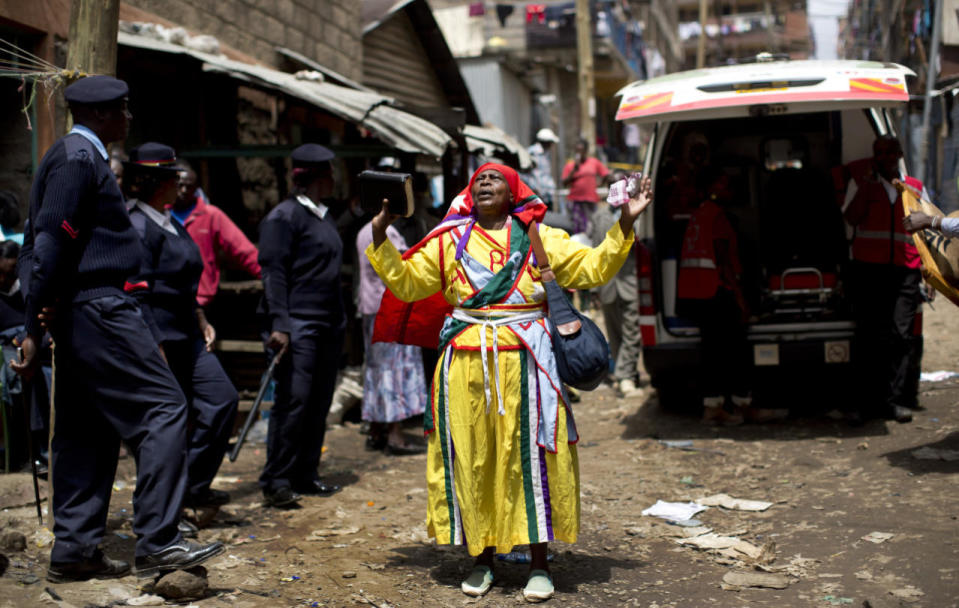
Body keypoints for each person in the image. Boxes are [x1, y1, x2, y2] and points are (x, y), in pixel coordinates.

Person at [365, 162, 652, 602]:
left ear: (514, 190)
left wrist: (625, 221)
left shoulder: (541, 237)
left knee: (531, 460)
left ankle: (539, 563)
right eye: (478, 177)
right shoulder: (448, 242)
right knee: (474, 459)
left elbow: (593, 269)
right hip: (464, 368)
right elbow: (405, 284)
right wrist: (380, 234)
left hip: (527, 364)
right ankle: (482, 560)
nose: (483, 181)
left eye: (494, 177)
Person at [11, 75, 222, 582]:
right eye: (124, 110)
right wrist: (33, 324)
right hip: (100, 307)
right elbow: (47, 244)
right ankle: (159, 541)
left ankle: (76, 551)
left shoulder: (78, 159)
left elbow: (44, 246)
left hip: (80, 309)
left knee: (87, 429)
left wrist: (43, 313)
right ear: (103, 115)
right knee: (166, 409)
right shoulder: (78, 160)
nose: (129, 118)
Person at [124, 143, 239, 515]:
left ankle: (192, 486)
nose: (181, 185)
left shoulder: (169, 220)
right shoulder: (138, 226)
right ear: (160, 182)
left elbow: (184, 283)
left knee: (222, 400)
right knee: (167, 425)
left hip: (187, 335)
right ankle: (165, 509)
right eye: (174, 178)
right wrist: (152, 343)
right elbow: (136, 293)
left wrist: (201, 317)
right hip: (159, 340)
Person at [257, 143, 346, 508]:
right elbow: (273, 273)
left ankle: (306, 472)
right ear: (314, 178)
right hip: (299, 324)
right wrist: (281, 324)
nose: (334, 179)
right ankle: (277, 477)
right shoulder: (284, 217)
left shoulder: (322, 216)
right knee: (294, 401)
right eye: (328, 173)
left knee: (318, 400)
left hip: (327, 323)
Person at [842, 135, 924, 424]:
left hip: (905, 272)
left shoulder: (915, 187)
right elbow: (851, 218)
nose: (885, 157)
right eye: (879, 152)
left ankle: (894, 401)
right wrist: (867, 185)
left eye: (890, 152)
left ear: (900, 154)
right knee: (868, 337)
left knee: (901, 336)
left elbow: (925, 231)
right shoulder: (863, 184)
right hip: (869, 271)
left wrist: (929, 273)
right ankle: (865, 403)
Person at [677, 171, 751, 426]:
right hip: (715, 291)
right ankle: (735, 405)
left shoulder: (700, 214)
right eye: (727, 184)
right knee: (729, 350)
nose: (731, 190)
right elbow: (723, 262)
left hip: (698, 291)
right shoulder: (717, 216)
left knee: (713, 351)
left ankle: (719, 405)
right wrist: (741, 299)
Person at [355, 220, 427, 455]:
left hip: (372, 308)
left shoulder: (364, 231)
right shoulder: (385, 233)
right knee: (393, 371)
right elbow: (400, 270)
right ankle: (395, 435)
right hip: (389, 309)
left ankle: (377, 430)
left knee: (378, 370)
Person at [172, 161, 261, 308]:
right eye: (180, 185)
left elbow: (242, 249)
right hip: (167, 300)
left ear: (197, 188)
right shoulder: (161, 213)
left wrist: (271, 276)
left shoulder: (210, 215)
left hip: (201, 299)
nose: (184, 190)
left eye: (189, 187)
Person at [587, 172, 642, 397]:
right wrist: (593, 288)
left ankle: (625, 375)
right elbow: (594, 251)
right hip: (608, 284)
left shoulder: (636, 211)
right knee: (615, 333)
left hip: (630, 281)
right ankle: (623, 373)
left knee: (632, 332)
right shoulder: (599, 216)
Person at [561, 139, 610, 234]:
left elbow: (605, 174)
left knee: (591, 227)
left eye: (581, 150)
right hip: (575, 201)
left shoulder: (594, 162)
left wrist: (599, 184)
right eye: (577, 150)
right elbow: (564, 183)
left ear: (586, 151)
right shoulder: (570, 165)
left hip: (590, 200)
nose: (579, 153)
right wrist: (573, 171)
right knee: (577, 227)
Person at [527, 128, 560, 209]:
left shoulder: (546, 153)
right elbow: (526, 173)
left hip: (547, 194)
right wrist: (534, 187)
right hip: (537, 194)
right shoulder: (532, 152)